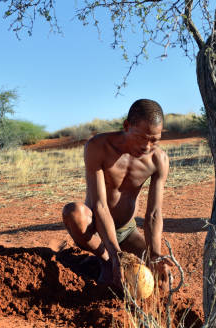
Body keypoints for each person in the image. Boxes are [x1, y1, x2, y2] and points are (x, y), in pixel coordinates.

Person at [62, 99, 172, 288]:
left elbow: (154, 213)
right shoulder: (98, 147)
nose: (147, 146)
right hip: (95, 227)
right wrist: (114, 255)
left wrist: (155, 254)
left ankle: (110, 260)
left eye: (154, 140)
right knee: (74, 212)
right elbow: (99, 205)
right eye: (141, 137)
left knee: (158, 281)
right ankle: (103, 259)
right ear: (127, 126)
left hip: (127, 230)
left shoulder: (158, 159)